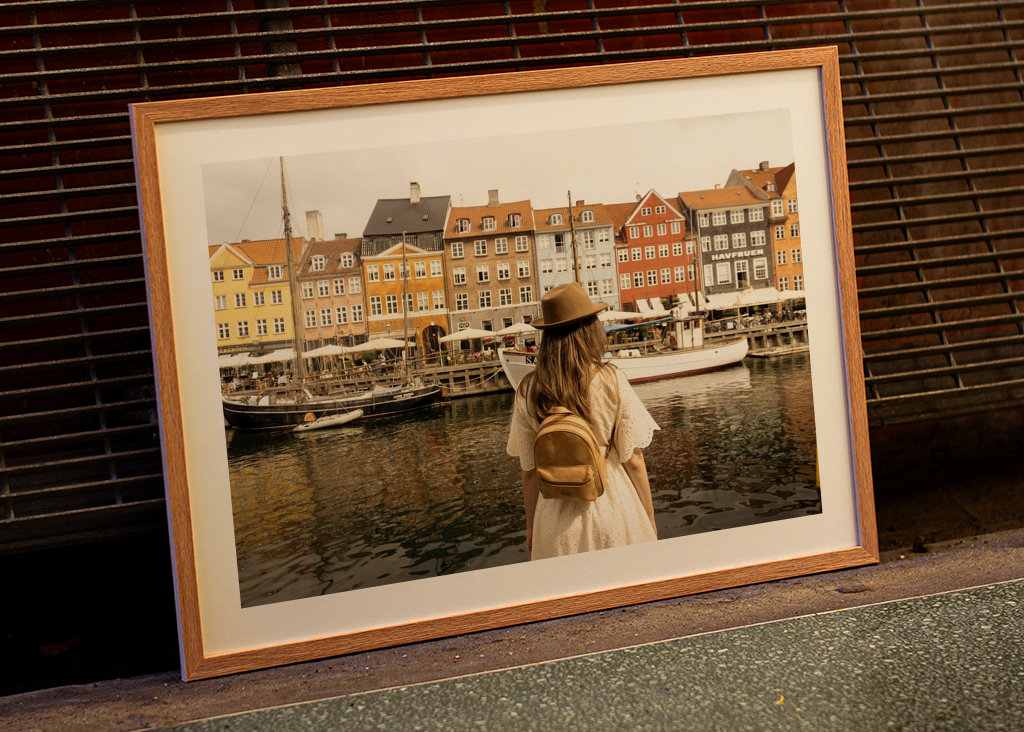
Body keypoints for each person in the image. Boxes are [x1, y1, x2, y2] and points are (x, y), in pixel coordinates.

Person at [506, 283, 659, 560]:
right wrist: (648, 517)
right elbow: (633, 459)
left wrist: (531, 527)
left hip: (554, 519)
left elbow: (529, 471)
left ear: (547, 336)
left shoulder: (528, 390)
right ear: (590, 330)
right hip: (612, 505)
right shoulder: (611, 379)